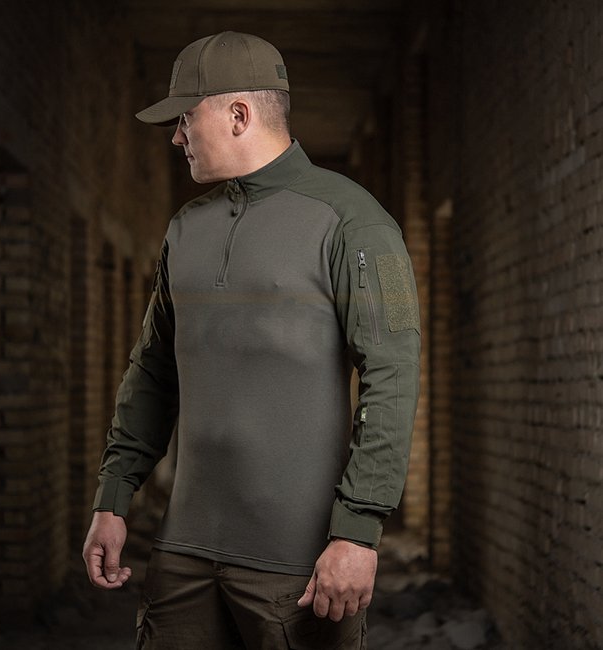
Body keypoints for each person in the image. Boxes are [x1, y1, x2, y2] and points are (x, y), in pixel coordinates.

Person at [82, 31, 420, 650]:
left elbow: (392, 378)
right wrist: (113, 496)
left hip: (300, 564)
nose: (176, 137)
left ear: (238, 115)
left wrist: (358, 530)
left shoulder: (358, 222)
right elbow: (153, 371)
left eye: (186, 118)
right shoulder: (184, 229)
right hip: (183, 558)